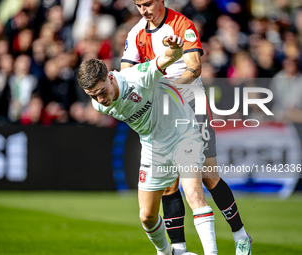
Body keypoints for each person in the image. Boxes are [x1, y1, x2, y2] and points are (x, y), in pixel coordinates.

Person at [120, 1, 252, 255]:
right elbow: (127, 74)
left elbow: (194, 67)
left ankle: (241, 235)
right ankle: (179, 250)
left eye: (147, 3)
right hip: (162, 113)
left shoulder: (182, 24)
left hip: (192, 104)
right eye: (138, 5)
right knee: (170, 184)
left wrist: (167, 89)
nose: (143, 10)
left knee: (208, 175)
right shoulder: (135, 33)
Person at [78, 35, 217, 255]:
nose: (100, 100)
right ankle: (167, 253)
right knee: (147, 216)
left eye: (101, 92)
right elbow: (101, 101)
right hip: (154, 146)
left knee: (193, 194)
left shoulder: (137, 77)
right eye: (92, 96)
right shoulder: (99, 105)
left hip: (183, 133)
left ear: (111, 78)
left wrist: (174, 48)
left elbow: (168, 57)